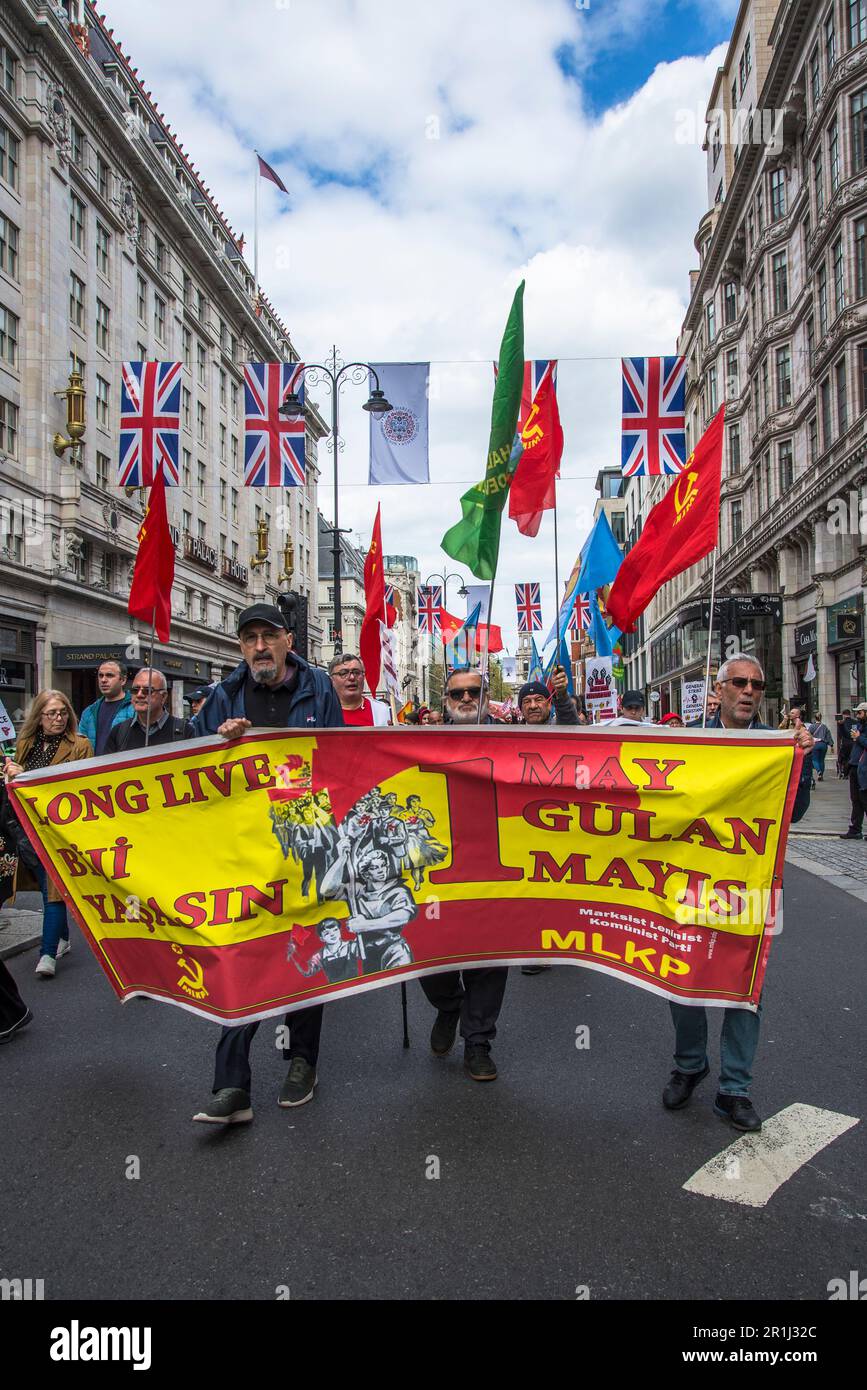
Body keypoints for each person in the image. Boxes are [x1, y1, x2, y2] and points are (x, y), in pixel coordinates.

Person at [192, 604, 343, 1125]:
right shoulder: (223, 695)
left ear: (288, 640)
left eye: (269, 636)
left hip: (306, 842)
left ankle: (303, 1060)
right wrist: (220, 743)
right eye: (249, 637)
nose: (259, 646)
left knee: (305, 951)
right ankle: (232, 1084)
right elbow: (193, 769)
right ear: (240, 646)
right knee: (243, 955)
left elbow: (340, 761)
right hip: (246, 848)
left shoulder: (319, 688)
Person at [663, 654, 814, 1133]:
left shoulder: (776, 745)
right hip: (689, 884)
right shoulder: (689, 738)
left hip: (747, 888)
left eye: (757, 684)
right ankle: (689, 1065)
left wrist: (801, 764)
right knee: (682, 982)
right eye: (740, 683)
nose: (749, 691)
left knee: (743, 991)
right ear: (720, 687)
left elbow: (796, 812)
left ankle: (734, 1089)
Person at [417, 668, 508, 1081]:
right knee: (430, 956)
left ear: (486, 696)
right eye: (458, 693)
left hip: (494, 869)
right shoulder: (420, 743)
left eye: (474, 691)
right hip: (440, 872)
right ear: (445, 700)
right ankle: (449, 1004)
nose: (467, 698)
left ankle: (478, 1043)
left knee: (489, 959)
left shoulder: (515, 739)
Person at [3, 691, 93, 979]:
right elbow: (15, 786)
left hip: (62, 832)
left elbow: (85, 786)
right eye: (51, 713)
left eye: (63, 712)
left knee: (54, 891)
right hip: (29, 830)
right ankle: (63, 938)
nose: (58, 718)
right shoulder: (25, 744)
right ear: (38, 717)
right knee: (47, 887)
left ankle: (47, 953)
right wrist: (12, 773)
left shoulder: (80, 745)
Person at [104, 669, 194, 751]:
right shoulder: (118, 732)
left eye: (147, 691)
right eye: (135, 690)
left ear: (163, 697)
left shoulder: (185, 732)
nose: (139, 695)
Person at [78, 660, 133, 754]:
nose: (103, 680)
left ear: (123, 680)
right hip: (94, 767)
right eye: (100, 675)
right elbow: (81, 747)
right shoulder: (89, 712)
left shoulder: (134, 708)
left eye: (109, 675)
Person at [328, 652, 391, 726]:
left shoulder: (382, 711)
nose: (352, 677)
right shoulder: (322, 711)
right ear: (331, 679)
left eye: (356, 672)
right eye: (343, 673)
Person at [839, 703, 867, 839]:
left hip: (864, 768)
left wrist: (859, 737)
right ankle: (855, 829)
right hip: (855, 766)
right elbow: (848, 737)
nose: (857, 715)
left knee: (864, 799)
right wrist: (840, 725)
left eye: (860, 713)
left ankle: (856, 829)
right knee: (855, 799)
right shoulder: (859, 726)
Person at [806, 711, 833, 781]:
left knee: (814, 759)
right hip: (823, 744)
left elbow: (808, 735)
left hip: (815, 744)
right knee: (821, 760)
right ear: (821, 718)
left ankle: (818, 771)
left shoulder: (812, 726)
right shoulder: (824, 726)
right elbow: (828, 736)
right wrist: (831, 745)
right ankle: (821, 774)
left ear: (815, 718)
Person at [836, 710, 855, 779]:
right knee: (851, 757)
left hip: (845, 743)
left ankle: (845, 772)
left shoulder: (842, 723)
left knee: (844, 758)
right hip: (853, 742)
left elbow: (840, 734)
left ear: (843, 715)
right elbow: (854, 733)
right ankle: (849, 772)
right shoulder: (854, 722)